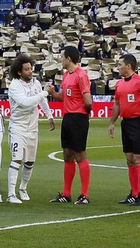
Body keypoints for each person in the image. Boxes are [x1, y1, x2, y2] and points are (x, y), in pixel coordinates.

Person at [108, 52, 140, 206]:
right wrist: (112, 123)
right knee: (130, 160)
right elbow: (117, 104)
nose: (118, 67)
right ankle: (134, 193)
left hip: (139, 123)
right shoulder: (119, 84)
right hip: (126, 123)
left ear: (128, 66)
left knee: (139, 160)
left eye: (120, 65)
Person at [5, 54, 51, 204]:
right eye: (27, 69)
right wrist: (44, 92)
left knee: (30, 162)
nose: (30, 72)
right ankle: (11, 194)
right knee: (17, 159)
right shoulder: (15, 86)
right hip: (18, 127)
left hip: (32, 128)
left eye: (31, 69)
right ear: (19, 72)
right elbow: (25, 102)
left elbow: (42, 100)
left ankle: (23, 188)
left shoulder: (35, 83)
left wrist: (49, 115)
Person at [51, 44, 93, 205]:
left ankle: (84, 194)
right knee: (67, 154)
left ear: (68, 58)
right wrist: (53, 93)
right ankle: (66, 193)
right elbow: (63, 97)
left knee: (80, 154)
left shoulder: (81, 75)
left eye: (62, 57)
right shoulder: (66, 75)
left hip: (78, 118)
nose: (60, 59)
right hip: (68, 117)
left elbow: (88, 100)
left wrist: (84, 113)